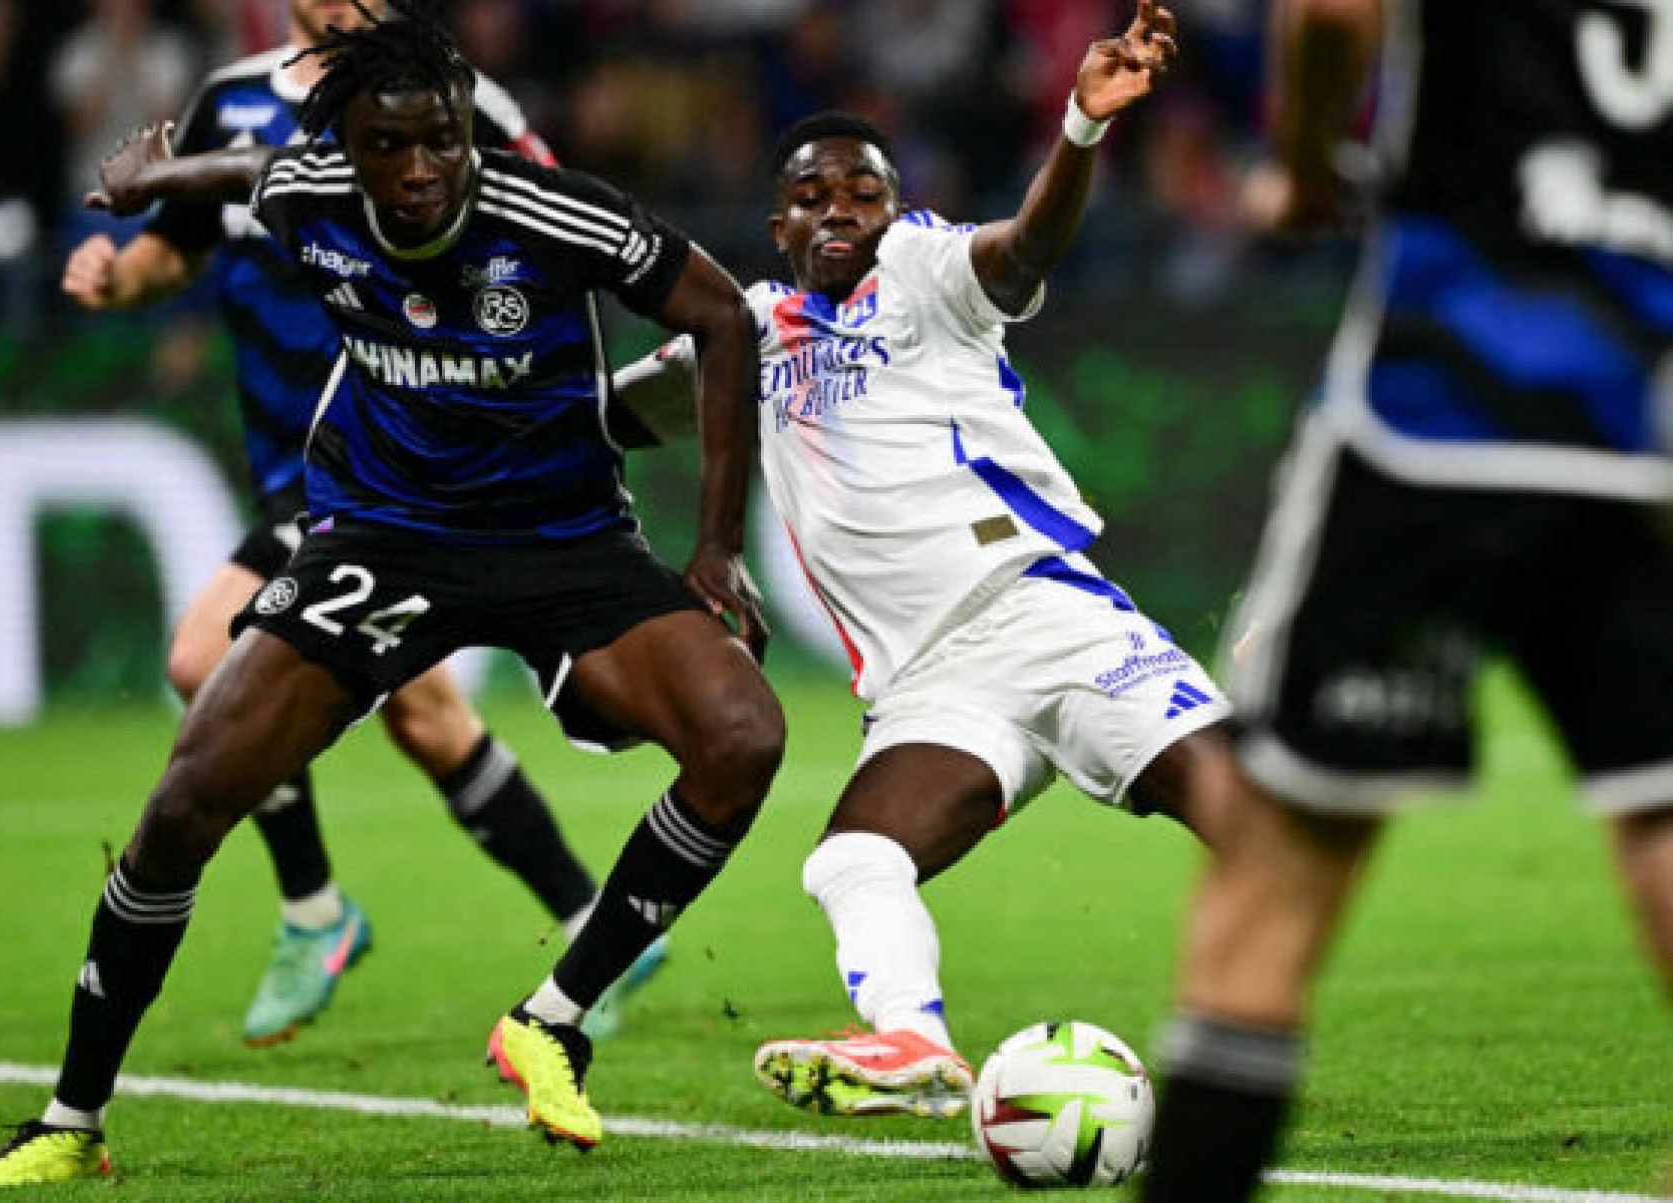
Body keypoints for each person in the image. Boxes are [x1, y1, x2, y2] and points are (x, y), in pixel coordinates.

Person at [0, 1, 783, 1184]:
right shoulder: (308, 194)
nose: (421, 171)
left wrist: (716, 546)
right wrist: (160, 181)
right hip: (386, 540)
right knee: (188, 802)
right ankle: (69, 1121)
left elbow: (721, 316)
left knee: (744, 734)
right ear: (347, 151)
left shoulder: (552, 212)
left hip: (562, 540)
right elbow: (254, 165)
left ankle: (552, 1018)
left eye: (442, 139)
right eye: (389, 146)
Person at [626, 1, 1237, 1120]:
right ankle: (910, 1041)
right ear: (778, 224)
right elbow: (611, 421)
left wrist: (1082, 131)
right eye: (814, 194)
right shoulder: (745, 330)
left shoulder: (922, 269)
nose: (843, 209)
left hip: (1044, 616)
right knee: (850, 860)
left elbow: (1024, 250)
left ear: (897, 210)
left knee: (1254, 822)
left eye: (866, 190)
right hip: (930, 690)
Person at [1140, 2, 1673, 1199]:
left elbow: (1331, 14)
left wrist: (1301, 164)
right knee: (1659, 819)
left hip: (1434, 423)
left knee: (1276, 874)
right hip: (1639, 435)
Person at [59, 0, 662, 1052]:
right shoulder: (230, 104)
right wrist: (118, 279)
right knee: (425, 717)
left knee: (208, 657)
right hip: (301, 465)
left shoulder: (456, 104)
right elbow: (177, 246)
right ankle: (582, 914)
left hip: (397, 468)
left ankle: (315, 911)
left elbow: (565, 238)